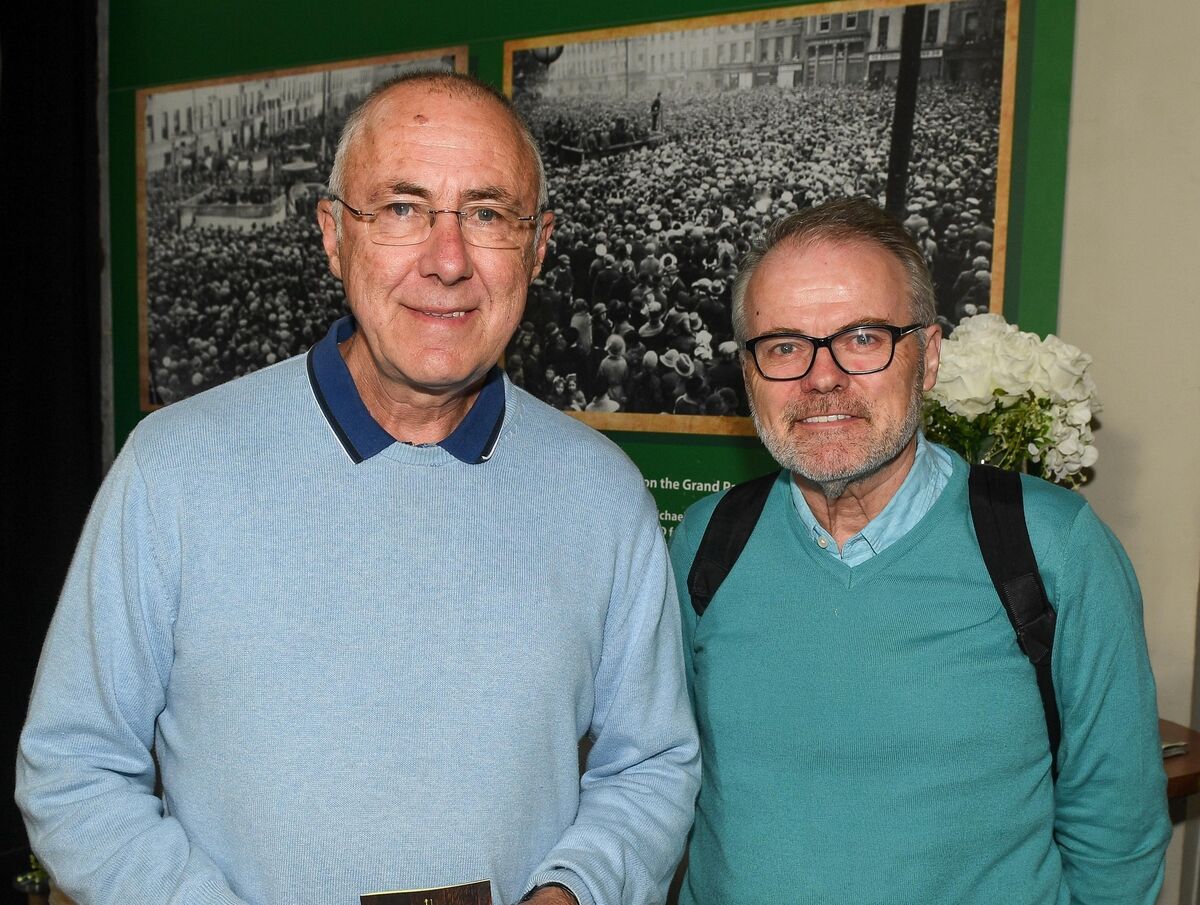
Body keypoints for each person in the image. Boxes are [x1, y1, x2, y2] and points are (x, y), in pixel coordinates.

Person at [17, 71, 699, 905]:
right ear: (334, 235)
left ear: (539, 245)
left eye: (487, 214)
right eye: (403, 208)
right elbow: (73, 766)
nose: (447, 261)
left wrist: (577, 891)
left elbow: (651, 764)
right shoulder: (172, 468)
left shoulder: (603, 494)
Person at [669, 198, 1169, 904]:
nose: (821, 377)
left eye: (862, 338)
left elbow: (1117, 837)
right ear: (747, 373)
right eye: (783, 345)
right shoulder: (706, 544)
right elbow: (661, 777)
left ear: (929, 357)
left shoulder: (1051, 549)